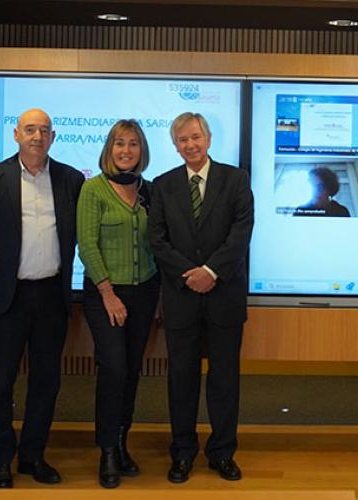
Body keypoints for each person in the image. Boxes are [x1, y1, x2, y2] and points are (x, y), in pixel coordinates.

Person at [148, 112, 254, 484]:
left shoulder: (236, 179)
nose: (190, 145)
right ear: (175, 145)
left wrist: (211, 272)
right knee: (181, 379)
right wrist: (189, 274)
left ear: (208, 138)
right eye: (182, 140)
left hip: (224, 294)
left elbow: (241, 233)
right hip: (181, 297)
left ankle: (222, 453)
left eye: (195, 137)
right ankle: (182, 453)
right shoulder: (162, 185)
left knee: (225, 379)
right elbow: (157, 239)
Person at [0, 109, 84, 488]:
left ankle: (32, 456)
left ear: (54, 136)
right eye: (30, 129)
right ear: (15, 134)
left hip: (51, 295)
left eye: (44, 130)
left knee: (46, 382)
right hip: (5, 297)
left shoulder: (70, 179)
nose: (37, 136)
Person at [77, 120, 159, 488]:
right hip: (104, 295)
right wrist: (108, 294)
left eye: (133, 144)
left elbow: (160, 243)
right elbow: (87, 244)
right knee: (113, 368)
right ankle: (107, 450)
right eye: (119, 144)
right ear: (109, 149)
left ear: (142, 150)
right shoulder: (92, 189)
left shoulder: (151, 191)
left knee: (132, 372)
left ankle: (123, 444)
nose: (126, 151)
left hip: (145, 293)